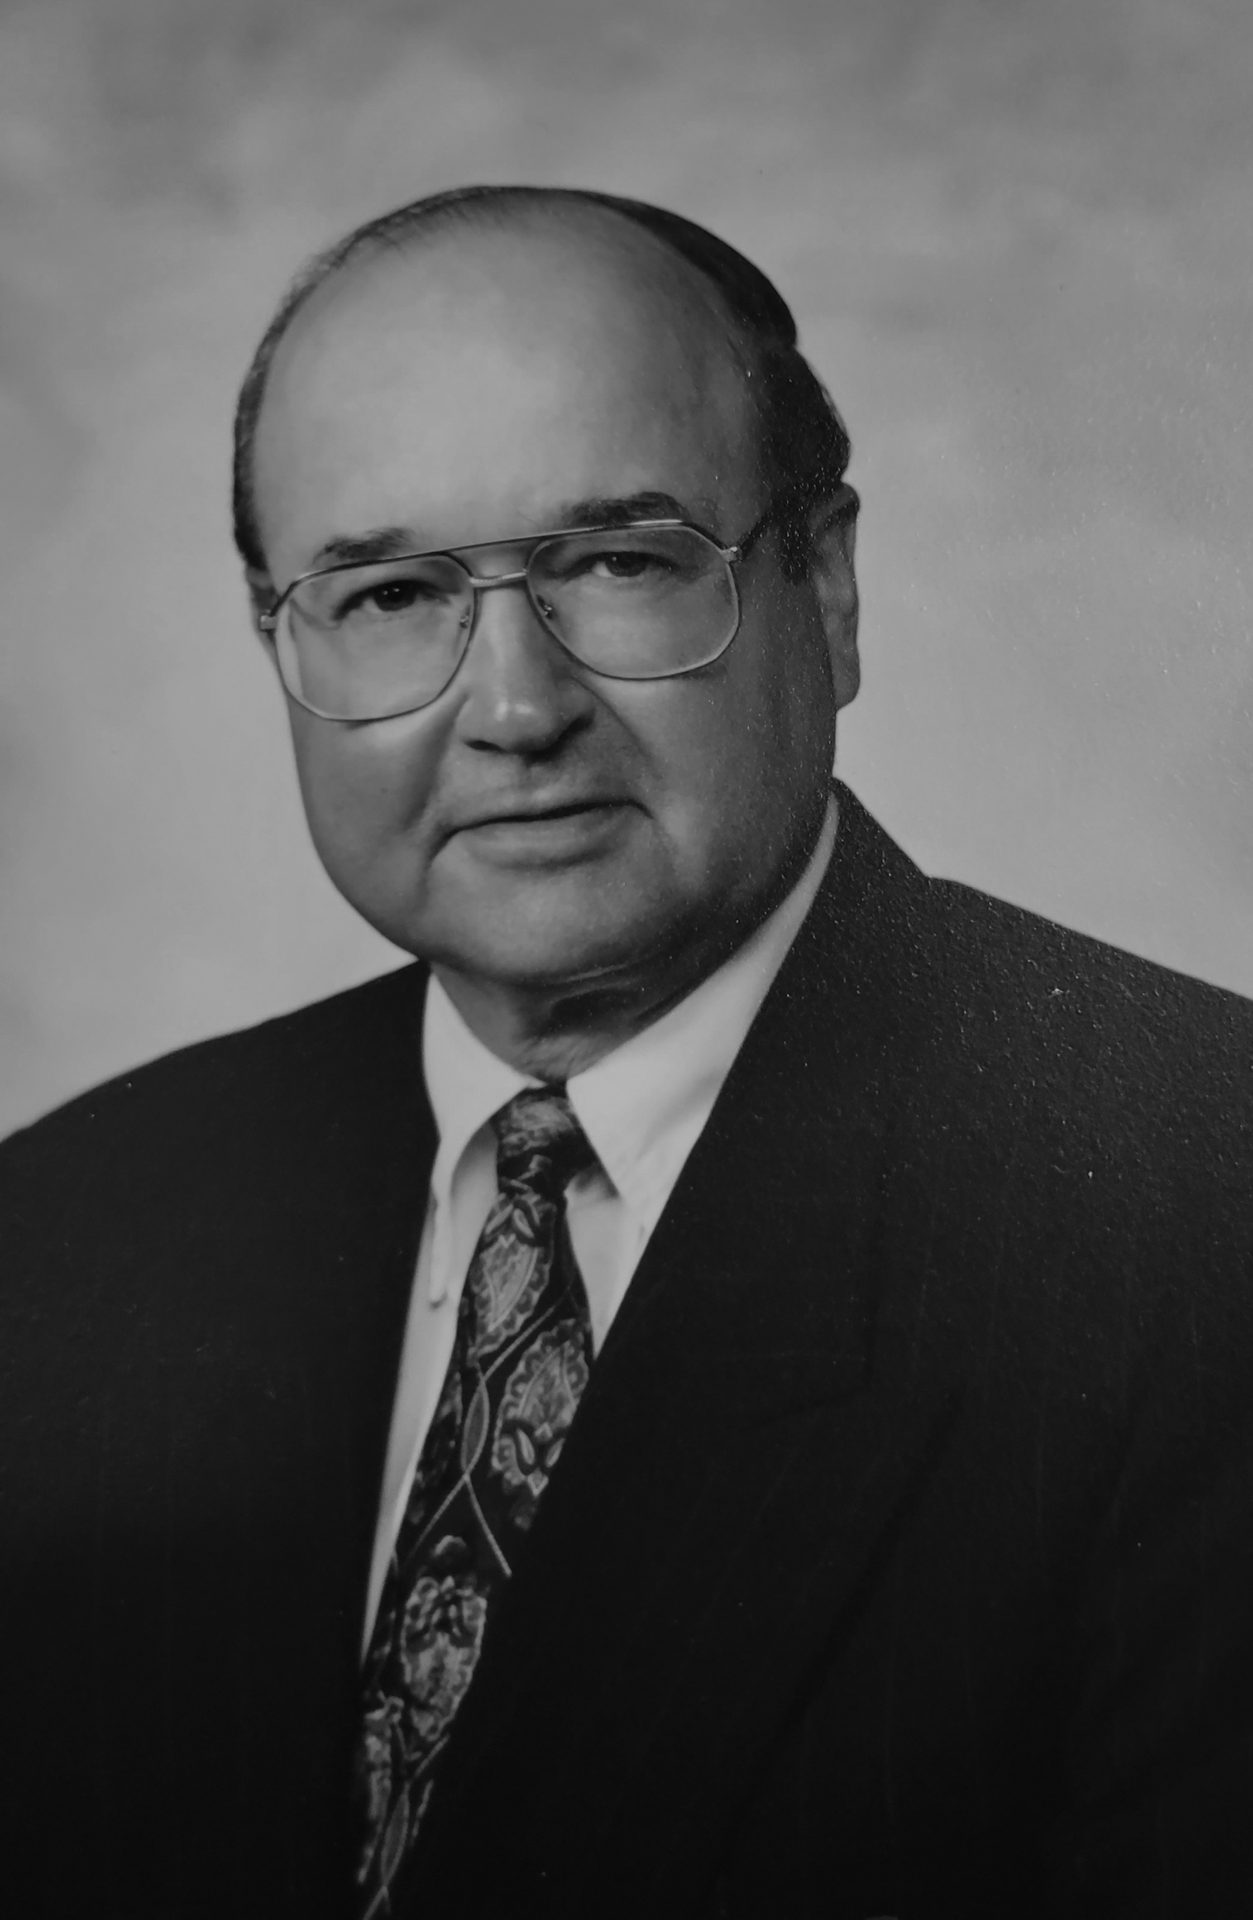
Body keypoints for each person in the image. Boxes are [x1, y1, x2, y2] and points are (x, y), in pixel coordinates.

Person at [2, 185, 1252, 1920]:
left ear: (824, 584)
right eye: (387, 592)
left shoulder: (1199, 1214)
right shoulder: (70, 1233)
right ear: (279, 642)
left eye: (618, 562)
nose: (514, 707)